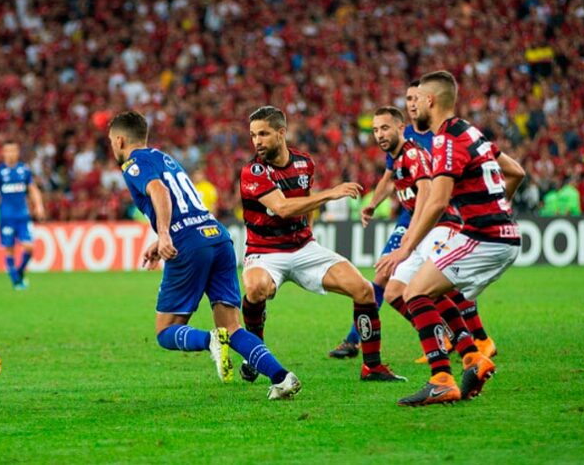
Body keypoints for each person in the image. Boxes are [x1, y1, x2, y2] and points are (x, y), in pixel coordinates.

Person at [108, 111, 300, 400]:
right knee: (232, 326)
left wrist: (163, 234)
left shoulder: (133, 164)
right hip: (216, 236)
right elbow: (182, 201)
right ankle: (282, 377)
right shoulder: (164, 158)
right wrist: (160, 236)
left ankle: (210, 339)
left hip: (188, 244)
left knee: (166, 331)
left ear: (120, 140)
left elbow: (159, 191)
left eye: (111, 141)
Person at [376, 71, 525, 406]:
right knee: (431, 292)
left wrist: (405, 249)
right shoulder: (472, 132)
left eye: (417, 101)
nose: (413, 108)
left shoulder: (445, 139)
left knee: (414, 292)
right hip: (497, 234)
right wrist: (499, 208)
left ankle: (441, 379)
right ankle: (473, 359)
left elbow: (437, 201)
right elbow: (517, 171)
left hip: (482, 236)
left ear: (430, 101)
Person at [329, 82, 496, 362]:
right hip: (416, 217)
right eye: (407, 98)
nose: (412, 103)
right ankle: (455, 341)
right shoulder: (398, 149)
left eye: (415, 98)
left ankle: (472, 343)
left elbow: (429, 195)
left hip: (438, 220)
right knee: (395, 287)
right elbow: (391, 177)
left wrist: (409, 241)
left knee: (431, 285)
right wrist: (372, 204)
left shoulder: (431, 140)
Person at [239, 106, 405, 383]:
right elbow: (282, 208)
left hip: (304, 248)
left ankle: (372, 367)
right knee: (256, 288)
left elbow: (306, 201)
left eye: (264, 134)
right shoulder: (253, 171)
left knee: (363, 290)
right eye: (254, 135)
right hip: (265, 252)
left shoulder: (304, 162)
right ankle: (255, 355)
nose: (257, 141)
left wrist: (309, 233)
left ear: (281, 133)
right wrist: (331, 193)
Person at [0, 142, 44, 289]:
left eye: (13, 151)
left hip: (23, 216)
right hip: (6, 217)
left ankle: (18, 272)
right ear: (3, 153)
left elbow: (33, 189)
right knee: (9, 248)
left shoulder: (24, 170)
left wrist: (39, 206)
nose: (11, 154)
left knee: (29, 247)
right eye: (8, 151)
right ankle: (16, 281)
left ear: (18, 153)